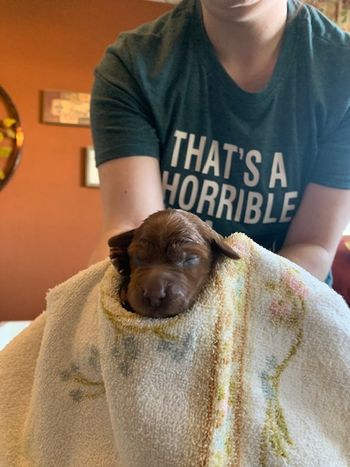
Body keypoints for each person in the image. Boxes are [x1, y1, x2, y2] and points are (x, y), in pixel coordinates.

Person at [89, 0, 350, 284]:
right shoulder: (132, 65)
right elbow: (134, 226)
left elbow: (312, 245)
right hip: (167, 299)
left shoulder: (340, 70)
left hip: (286, 296)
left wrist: (231, 309)